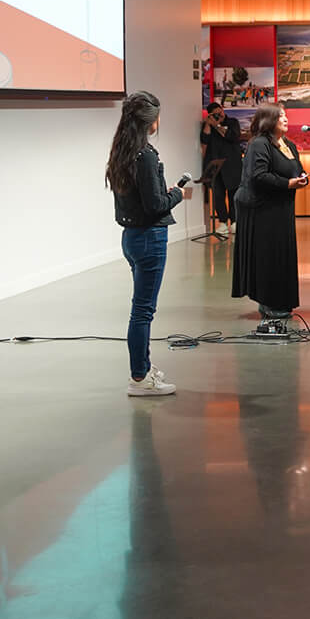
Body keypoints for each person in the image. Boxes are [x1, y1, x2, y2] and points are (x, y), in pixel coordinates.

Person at [107, 91, 186, 397]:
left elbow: (142, 199)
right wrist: (176, 194)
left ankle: (143, 369)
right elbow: (155, 205)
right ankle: (140, 378)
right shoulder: (146, 155)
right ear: (151, 121)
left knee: (141, 309)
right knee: (143, 312)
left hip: (131, 238)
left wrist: (162, 193)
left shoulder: (121, 152)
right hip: (150, 239)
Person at [233, 103, 310, 324]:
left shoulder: (288, 144)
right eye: (280, 116)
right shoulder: (259, 144)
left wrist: (302, 178)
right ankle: (267, 302)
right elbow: (258, 176)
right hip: (261, 208)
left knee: (281, 255)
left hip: (281, 208)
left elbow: (297, 169)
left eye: (285, 115)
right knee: (268, 256)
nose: (285, 119)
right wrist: (288, 184)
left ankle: (281, 301)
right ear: (269, 120)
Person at [199, 102, 243, 236]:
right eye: (216, 114)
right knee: (218, 195)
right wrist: (208, 124)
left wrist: (217, 126)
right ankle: (222, 222)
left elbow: (232, 136)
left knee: (233, 195)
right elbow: (204, 139)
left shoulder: (233, 122)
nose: (220, 115)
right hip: (216, 166)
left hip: (232, 165)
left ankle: (235, 222)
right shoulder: (209, 125)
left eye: (220, 111)